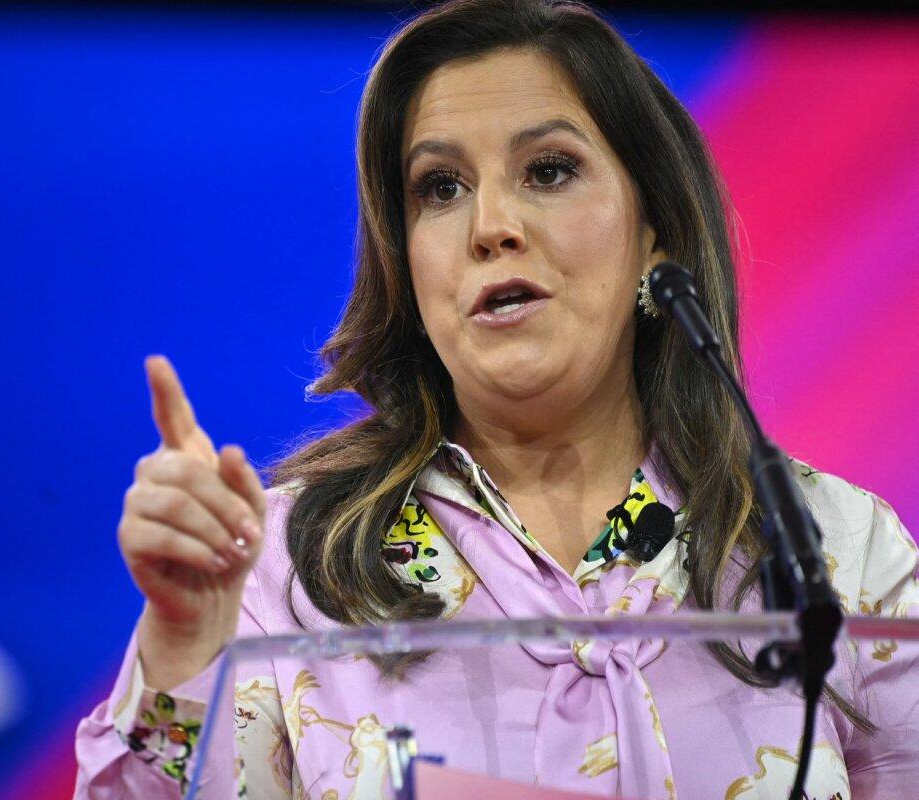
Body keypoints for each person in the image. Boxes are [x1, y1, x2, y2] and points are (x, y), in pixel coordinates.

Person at [74, 0, 919, 797]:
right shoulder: (286, 570)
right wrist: (183, 648)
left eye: (548, 171)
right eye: (440, 188)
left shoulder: (836, 554)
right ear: (406, 263)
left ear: (652, 230)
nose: (491, 225)